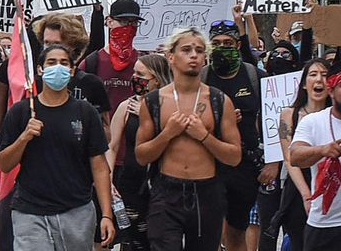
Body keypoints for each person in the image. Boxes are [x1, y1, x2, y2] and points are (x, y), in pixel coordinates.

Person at [0, 44, 115, 250]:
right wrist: (24, 138)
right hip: (30, 211)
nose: (57, 68)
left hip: (77, 211)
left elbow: (100, 166)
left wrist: (106, 214)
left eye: (64, 63)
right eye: (51, 63)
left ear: (72, 70)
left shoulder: (85, 112)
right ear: (40, 69)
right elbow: (5, 164)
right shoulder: (21, 112)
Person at [135, 27, 242, 250]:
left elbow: (234, 156)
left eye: (199, 50)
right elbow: (141, 156)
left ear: (205, 58)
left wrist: (204, 136)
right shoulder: (154, 101)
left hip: (207, 192)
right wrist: (167, 134)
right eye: (186, 49)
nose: (193, 55)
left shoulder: (219, 100)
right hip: (167, 191)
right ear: (171, 56)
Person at [202, 20, 267, 251]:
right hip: (209, 162)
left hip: (245, 164)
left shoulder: (255, 77)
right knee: (208, 226)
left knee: (237, 229)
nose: (222, 47)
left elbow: (274, 120)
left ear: (238, 44)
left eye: (228, 43)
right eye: (216, 43)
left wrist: (274, 163)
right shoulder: (201, 77)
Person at [105, 54, 172, 251]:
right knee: (131, 240)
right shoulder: (126, 107)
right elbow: (112, 145)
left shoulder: (170, 108)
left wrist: (147, 116)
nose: (135, 78)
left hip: (162, 184)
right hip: (131, 184)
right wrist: (107, 180)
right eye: (134, 72)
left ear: (156, 80)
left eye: (141, 74)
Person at [274, 59, 331, 250]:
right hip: (299, 187)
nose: (319, 80)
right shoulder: (288, 115)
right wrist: (307, 195)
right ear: (305, 84)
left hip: (330, 184)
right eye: (313, 75)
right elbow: (289, 158)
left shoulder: (335, 117)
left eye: (324, 75)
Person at [288, 56, 341, 250]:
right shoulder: (312, 122)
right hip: (325, 224)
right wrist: (322, 150)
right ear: (331, 89)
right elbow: (294, 156)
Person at [80, 0, 143, 118]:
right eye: (123, 21)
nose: (129, 27)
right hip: (101, 132)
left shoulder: (142, 62)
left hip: (134, 131)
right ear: (109, 22)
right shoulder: (92, 62)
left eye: (134, 22)